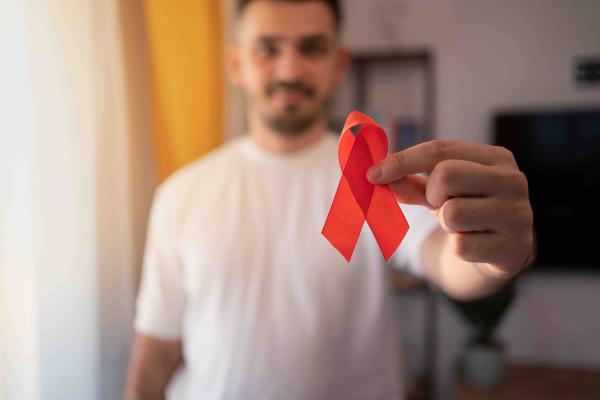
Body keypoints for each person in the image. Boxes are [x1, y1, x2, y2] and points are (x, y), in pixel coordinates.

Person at [124, 1, 534, 399]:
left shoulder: (372, 176)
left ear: (339, 65)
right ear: (236, 65)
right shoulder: (181, 194)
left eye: (312, 48)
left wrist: (494, 254)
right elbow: (156, 354)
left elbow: (445, 257)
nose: (289, 70)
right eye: (268, 49)